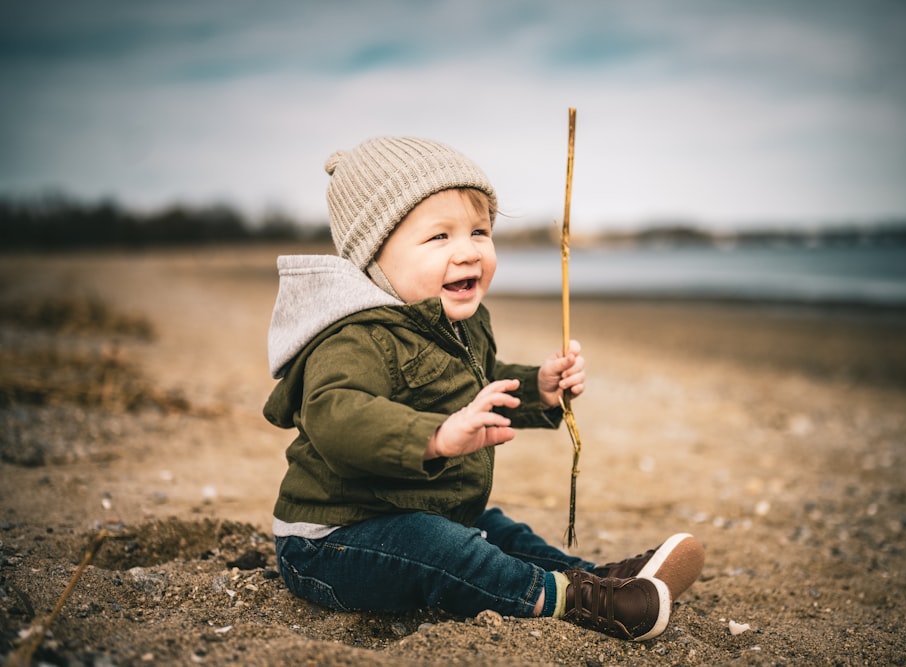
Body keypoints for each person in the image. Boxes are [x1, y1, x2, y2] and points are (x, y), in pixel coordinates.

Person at [263, 136, 705, 641]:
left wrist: (540, 388)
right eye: (440, 238)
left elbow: (482, 382)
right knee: (446, 549)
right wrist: (435, 436)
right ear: (374, 258)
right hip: (331, 541)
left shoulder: (458, 322)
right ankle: (572, 599)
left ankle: (597, 577)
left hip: (417, 508)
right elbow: (336, 417)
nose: (468, 251)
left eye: (479, 231)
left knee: (496, 529)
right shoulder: (352, 336)